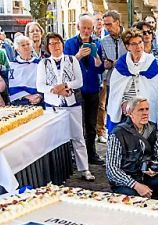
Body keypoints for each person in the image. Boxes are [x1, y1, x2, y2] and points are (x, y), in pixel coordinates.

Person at [37, 32, 95, 182]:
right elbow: (40, 85)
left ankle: (84, 168)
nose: (55, 46)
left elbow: (79, 81)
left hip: (72, 103)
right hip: (52, 106)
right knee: (55, 139)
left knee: (78, 136)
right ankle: (58, 172)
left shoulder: (71, 60)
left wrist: (65, 85)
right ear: (47, 47)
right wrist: (55, 89)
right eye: (52, 44)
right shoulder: (43, 63)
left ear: (62, 44)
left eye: (58, 43)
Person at [106, 97, 158, 198]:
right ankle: (143, 195)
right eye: (140, 110)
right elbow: (112, 170)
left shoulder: (152, 129)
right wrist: (136, 185)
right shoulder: (118, 134)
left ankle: (153, 198)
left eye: (147, 109)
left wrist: (156, 167)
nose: (145, 113)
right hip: (127, 180)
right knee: (134, 197)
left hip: (147, 176)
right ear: (130, 113)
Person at [64, 14, 105, 165]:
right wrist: (78, 56)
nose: (87, 31)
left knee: (91, 123)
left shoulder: (98, 44)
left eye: (89, 28)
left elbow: (100, 70)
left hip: (93, 87)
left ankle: (91, 152)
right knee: (77, 124)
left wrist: (99, 62)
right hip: (77, 89)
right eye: (84, 28)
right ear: (78, 28)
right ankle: (78, 155)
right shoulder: (69, 43)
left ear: (93, 29)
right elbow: (66, 67)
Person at [106, 29, 158, 132]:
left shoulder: (150, 62)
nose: (138, 47)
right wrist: (123, 103)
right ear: (128, 47)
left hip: (144, 107)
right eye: (134, 44)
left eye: (140, 42)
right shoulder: (122, 63)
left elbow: (153, 91)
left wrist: (140, 105)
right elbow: (116, 90)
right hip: (125, 109)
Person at [100, 11, 127, 141]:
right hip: (112, 82)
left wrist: (116, 63)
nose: (107, 28)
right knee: (113, 112)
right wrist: (105, 63)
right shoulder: (104, 41)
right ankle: (115, 141)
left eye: (109, 24)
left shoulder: (129, 37)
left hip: (128, 83)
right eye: (105, 25)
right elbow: (103, 59)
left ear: (118, 22)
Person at [134, 21, 158, 95]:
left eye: (149, 32)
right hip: (139, 90)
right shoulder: (134, 51)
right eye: (144, 33)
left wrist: (156, 76)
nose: (147, 34)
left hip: (156, 89)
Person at [8, 36, 41, 106]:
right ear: (17, 49)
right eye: (23, 45)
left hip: (39, 100)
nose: (26, 47)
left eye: (28, 44)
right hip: (20, 101)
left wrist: (40, 96)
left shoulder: (40, 63)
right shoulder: (13, 65)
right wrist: (27, 97)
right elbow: (12, 86)